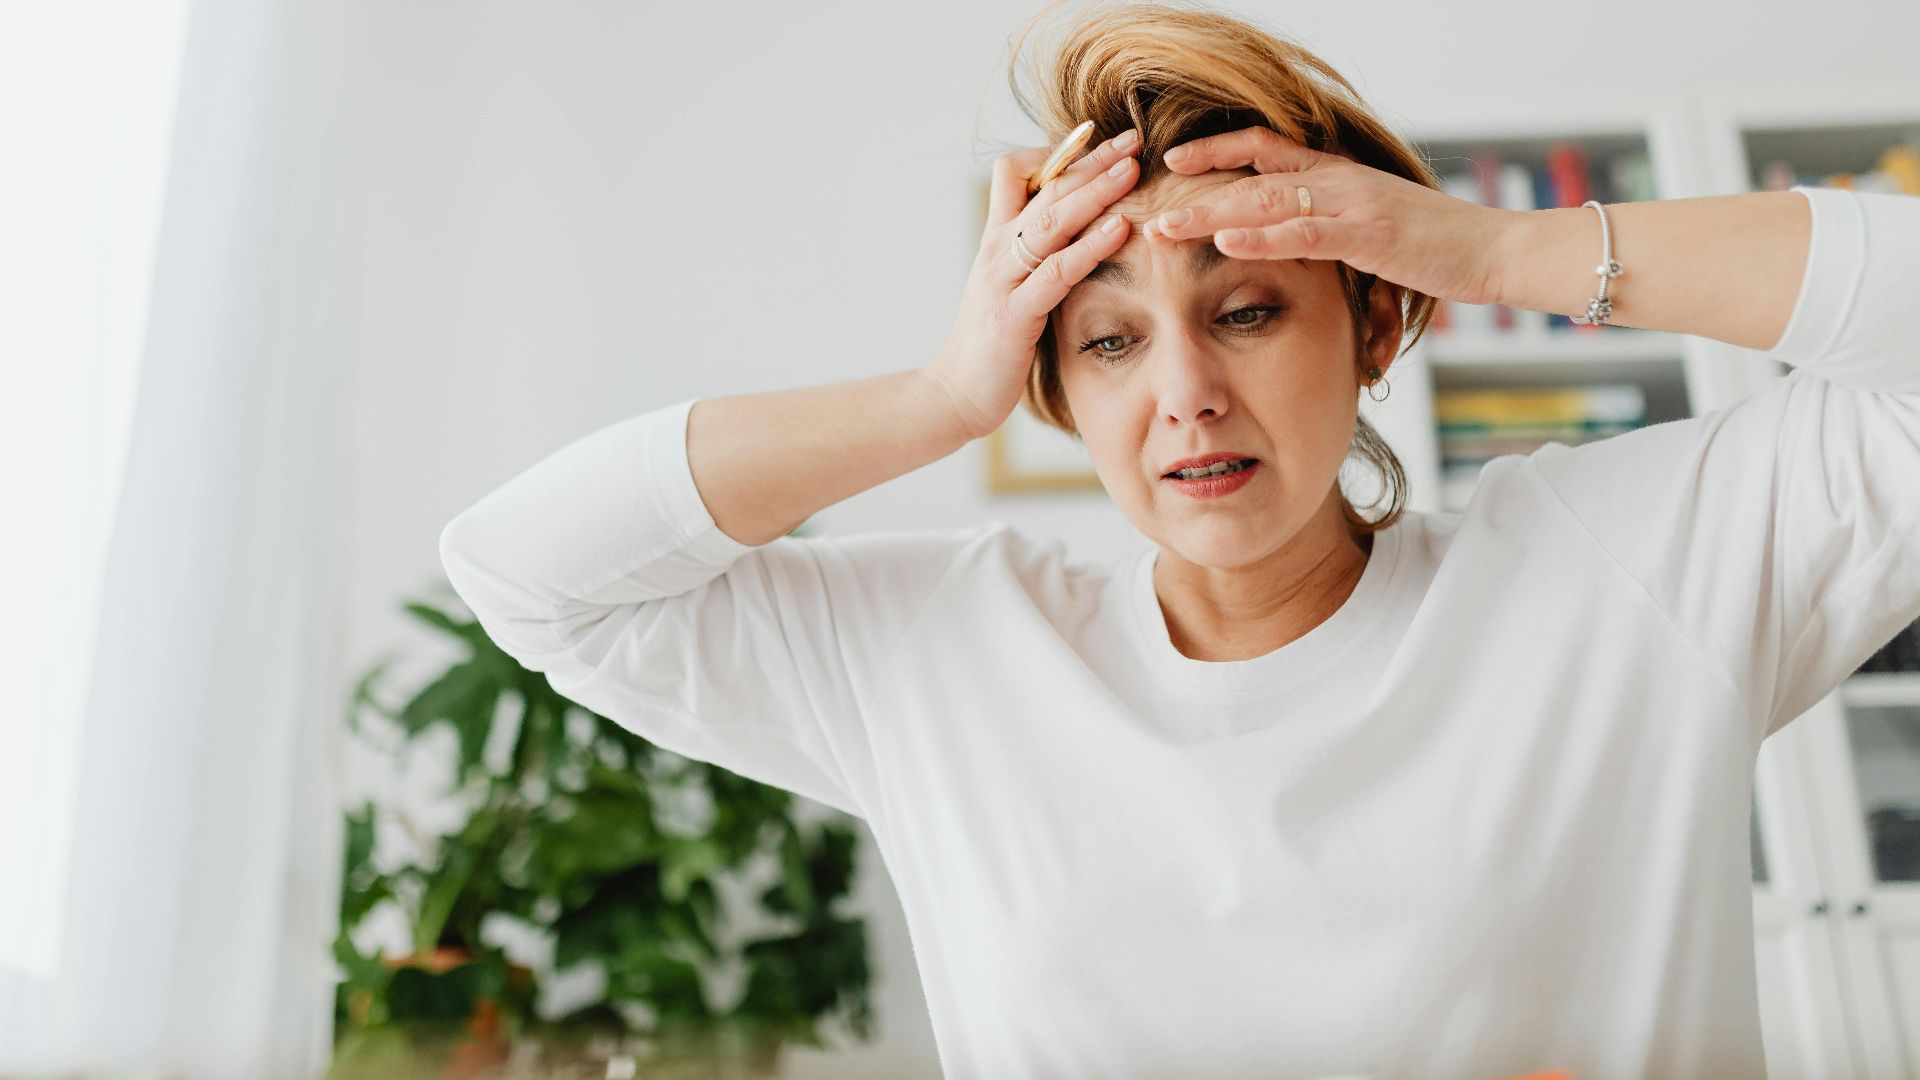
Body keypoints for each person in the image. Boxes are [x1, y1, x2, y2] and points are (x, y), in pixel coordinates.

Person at [436, 2, 1920, 1077]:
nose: (1186, 395)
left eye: (1250, 308)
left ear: (1374, 317)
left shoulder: (1626, 581)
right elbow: (526, 572)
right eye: (1105, 343)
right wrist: (943, 395)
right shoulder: (941, 656)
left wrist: (1488, 247)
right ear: (1057, 389)